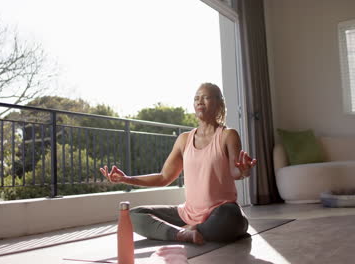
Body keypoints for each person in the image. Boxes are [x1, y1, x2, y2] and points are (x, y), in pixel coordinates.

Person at [100, 82, 257, 245]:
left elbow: (235, 171)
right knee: (133, 215)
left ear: (219, 103)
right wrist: (127, 179)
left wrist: (245, 171)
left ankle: (193, 229)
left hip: (220, 212)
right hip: (187, 213)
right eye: (196, 98)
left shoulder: (228, 135)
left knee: (232, 216)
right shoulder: (184, 140)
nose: (199, 102)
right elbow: (164, 177)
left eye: (206, 97)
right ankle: (184, 233)